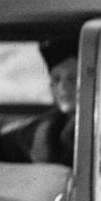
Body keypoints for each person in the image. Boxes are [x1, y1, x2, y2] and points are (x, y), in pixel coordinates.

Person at [18, 35, 79, 165]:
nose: (62, 87)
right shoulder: (42, 128)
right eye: (56, 79)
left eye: (72, 78)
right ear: (51, 86)